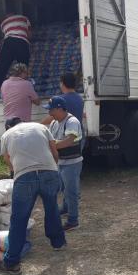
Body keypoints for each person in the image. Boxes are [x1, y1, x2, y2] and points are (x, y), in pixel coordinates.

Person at [0, 117, 66, 273]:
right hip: (49, 172)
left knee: (19, 219)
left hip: (24, 177)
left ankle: (12, 262)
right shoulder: (41, 127)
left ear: (8, 126)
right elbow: (54, 151)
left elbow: (7, 158)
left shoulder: (7, 134)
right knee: (52, 209)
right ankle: (58, 243)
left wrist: (17, 172)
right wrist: (52, 169)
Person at [46, 96, 84, 231]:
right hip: (61, 161)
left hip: (72, 163)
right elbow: (51, 140)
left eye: (51, 110)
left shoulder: (72, 121)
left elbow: (69, 141)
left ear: (59, 109)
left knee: (71, 191)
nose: (49, 113)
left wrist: (52, 147)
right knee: (63, 188)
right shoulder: (54, 123)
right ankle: (66, 209)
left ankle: (73, 220)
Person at [0, 14, 31, 94]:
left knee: (1, 68)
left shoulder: (3, 24)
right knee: (23, 67)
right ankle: (23, 90)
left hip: (8, 42)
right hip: (21, 41)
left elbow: (5, 35)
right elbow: (29, 34)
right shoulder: (24, 18)